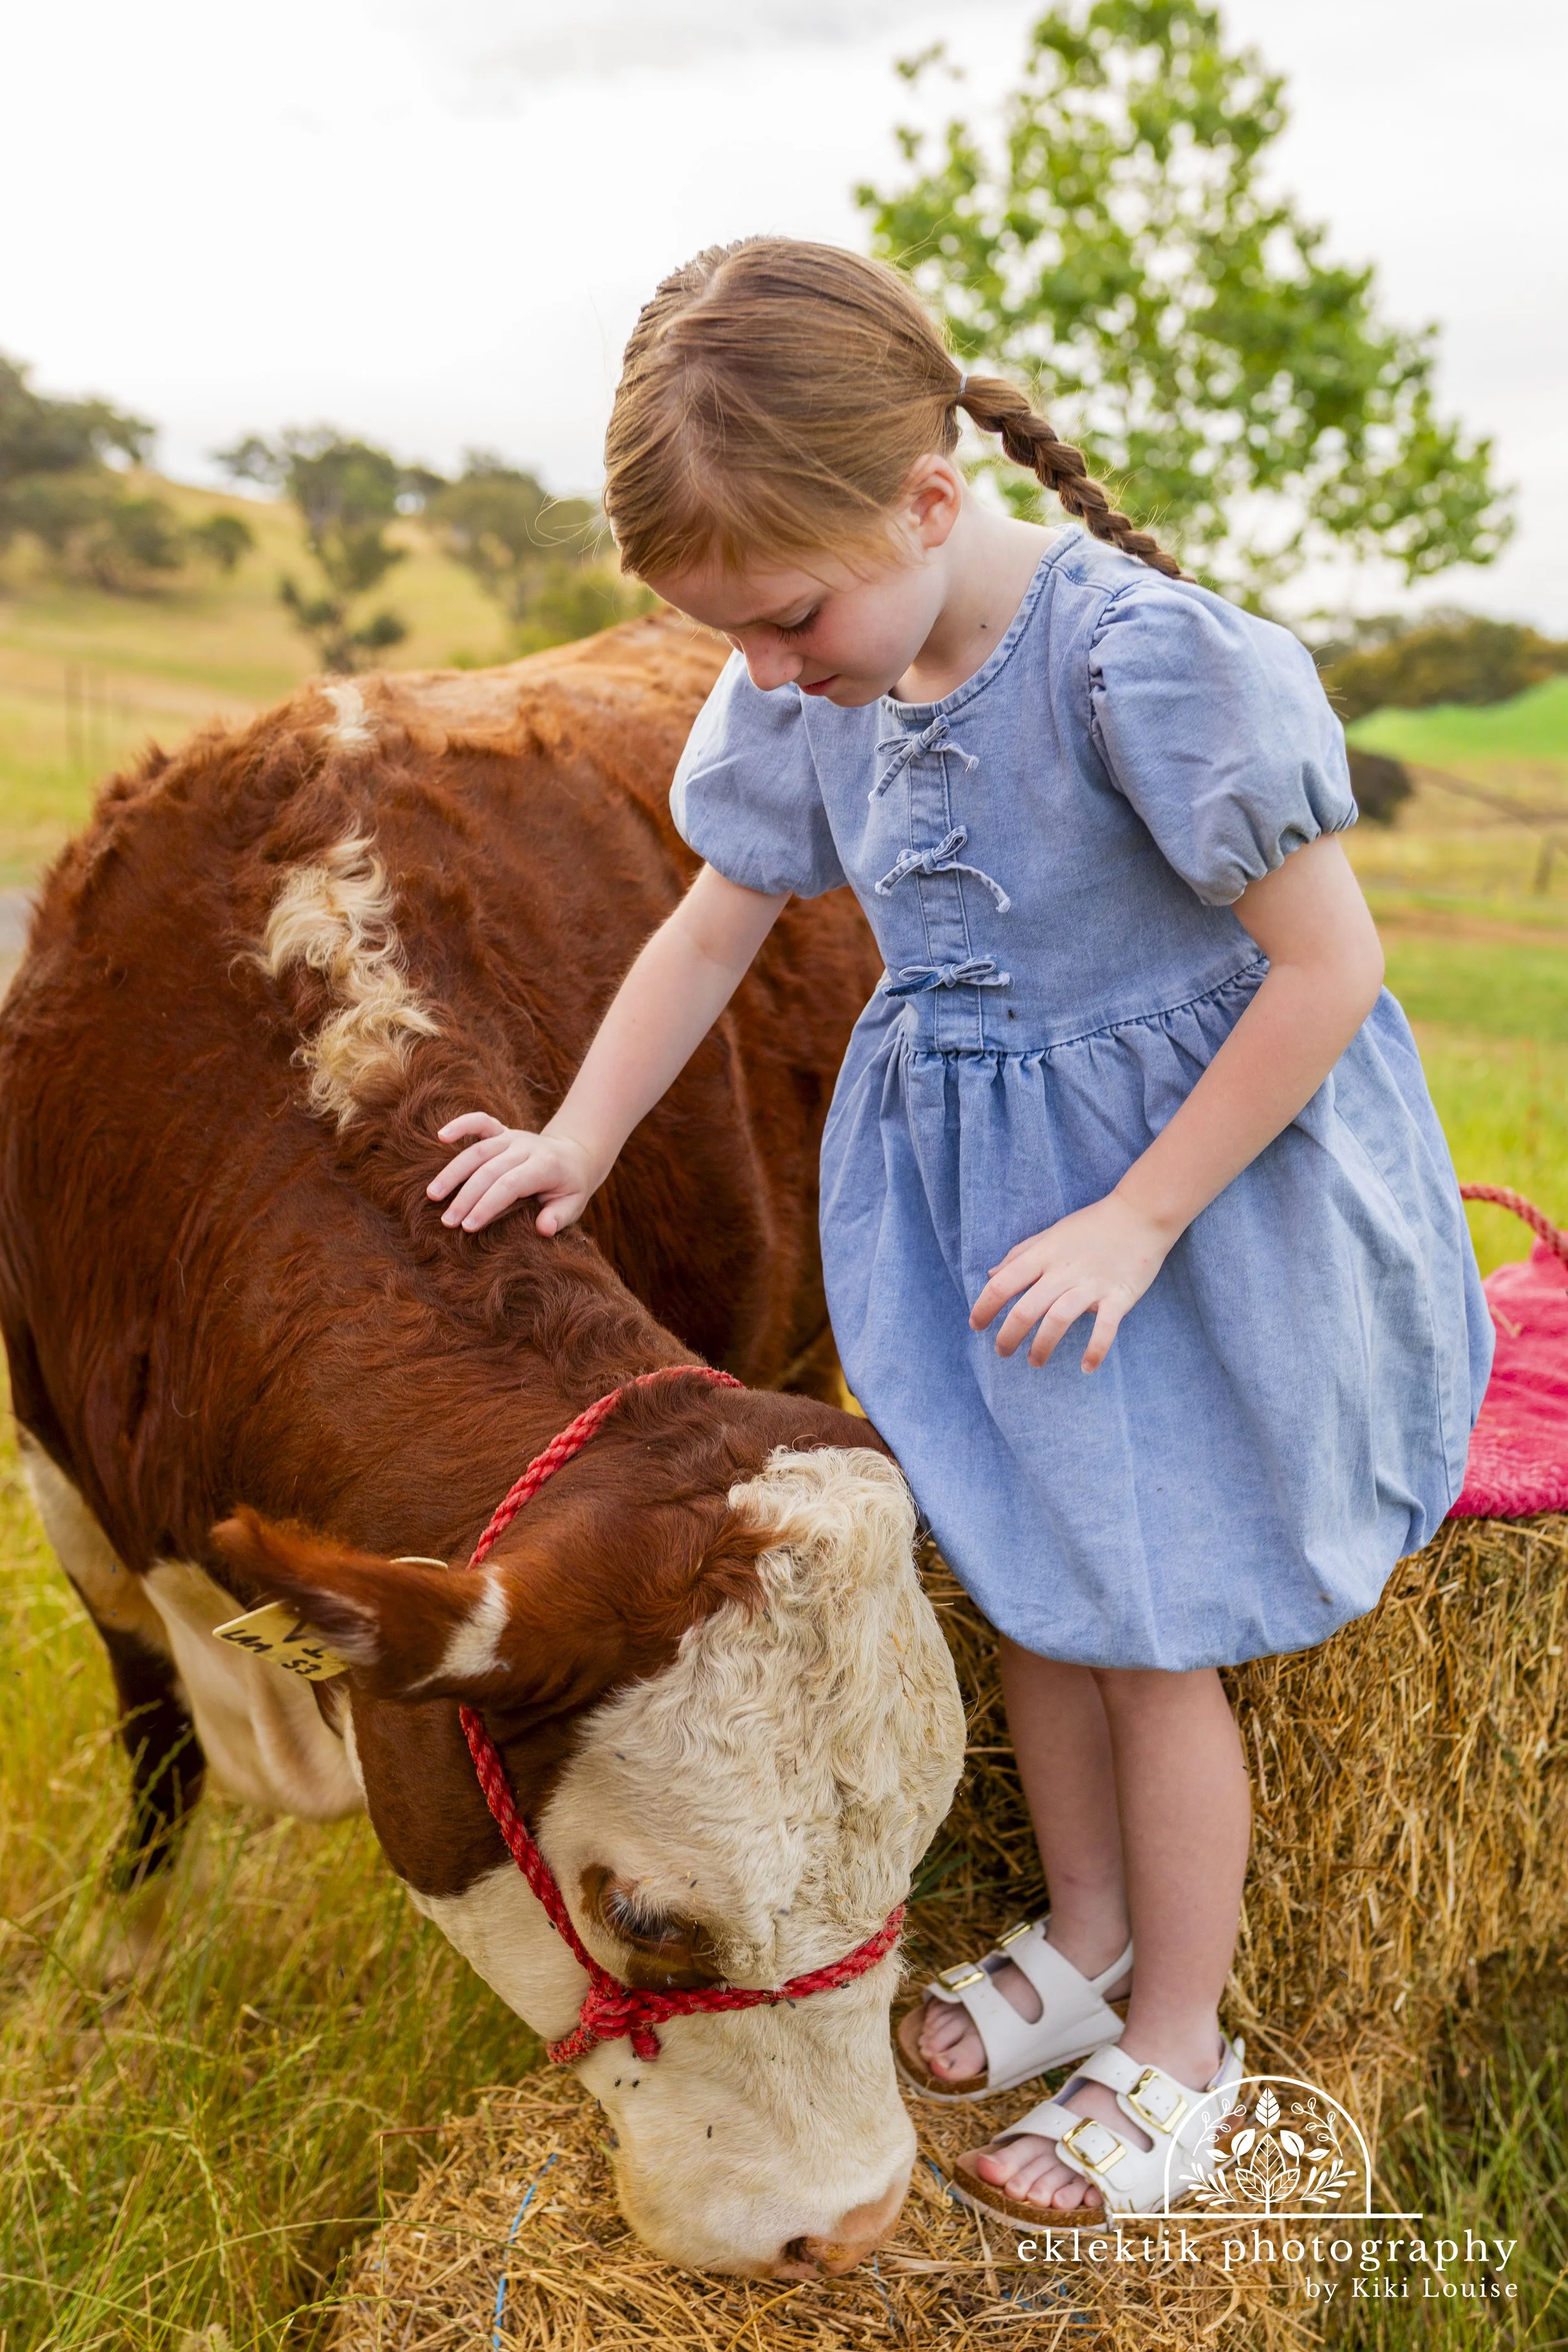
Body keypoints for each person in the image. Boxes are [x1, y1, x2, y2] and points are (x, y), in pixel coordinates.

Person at [426, 239, 1491, 2222]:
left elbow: (1325, 969)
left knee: (1151, 1625)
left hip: (1181, 1197)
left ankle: (1181, 2037)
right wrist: (576, 1133)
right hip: (981, 1210)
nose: (763, 670)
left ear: (928, 497)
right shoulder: (821, 675)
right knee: (1030, 1571)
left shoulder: (1140, 664)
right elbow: (711, 920)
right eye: (721, 633)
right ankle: (1083, 1937)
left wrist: (1136, 1218)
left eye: (784, 619)